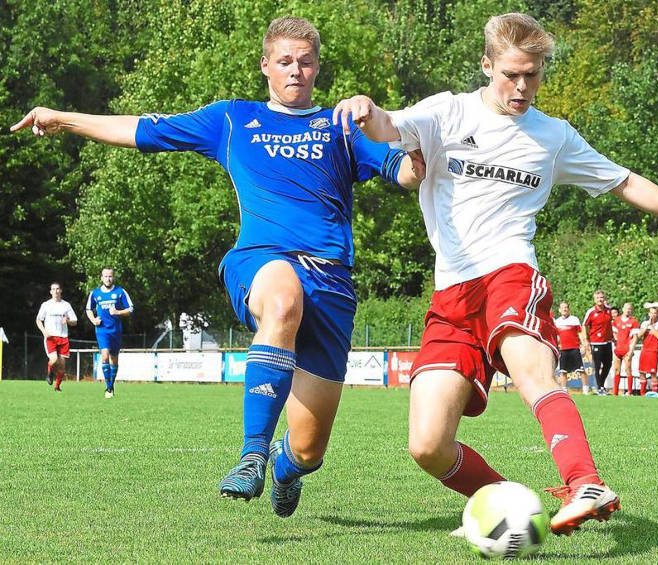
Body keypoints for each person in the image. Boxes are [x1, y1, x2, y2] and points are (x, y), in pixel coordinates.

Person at [333, 12, 658, 535]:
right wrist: (366, 108)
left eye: (532, 74)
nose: (522, 85)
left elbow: (624, 182)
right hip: (451, 296)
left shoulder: (552, 136)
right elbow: (388, 126)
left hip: (510, 271)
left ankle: (586, 483)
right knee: (427, 445)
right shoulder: (447, 112)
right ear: (486, 65)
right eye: (511, 73)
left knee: (533, 374)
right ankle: (509, 506)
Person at [11, 17, 422, 515]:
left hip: (332, 283)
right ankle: (251, 457)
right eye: (286, 61)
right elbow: (143, 128)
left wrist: (406, 130)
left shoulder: (342, 126)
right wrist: (63, 118)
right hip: (262, 261)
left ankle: (283, 466)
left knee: (309, 450)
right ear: (266, 65)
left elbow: (407, 173)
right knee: (283, 294)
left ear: (318, 67)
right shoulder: (232, 120)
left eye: (306, 61)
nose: (296, 70)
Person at [86, 268, 133, 398]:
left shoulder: (120, 292)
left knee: (114, 359)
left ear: (113, 277)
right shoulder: (95, 293)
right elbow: (88, 309)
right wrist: (93, 320)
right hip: (102, 330)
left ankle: (111, 385)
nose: (108, 278)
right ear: (101, 278)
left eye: (110, 276)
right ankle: (108, 387)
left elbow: (131, 308)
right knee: (105, 356)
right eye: (106, 276)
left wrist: (118, 312)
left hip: (116, 330)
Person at [35, 282, 78, 392]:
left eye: (57, 289)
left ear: (61, 290)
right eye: (53, 289)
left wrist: (67, 321)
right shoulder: (46, 305)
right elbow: (39, 320)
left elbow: (75, 321)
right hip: (50, 337)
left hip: (63, 337)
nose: (55, 291)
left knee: (62, 366)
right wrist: (44, 332)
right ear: (50, 292)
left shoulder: (66, 305)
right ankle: (49, 373)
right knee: (53, 360)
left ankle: (57, 386)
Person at [583, 290, 615, 396]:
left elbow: (610, 324)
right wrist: (586, 339)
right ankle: (598, 387)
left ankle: (601, 385)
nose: (600, 299)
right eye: (598, 298)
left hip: (607, 342)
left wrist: (613, 338)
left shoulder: (609, 310)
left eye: (601, 297)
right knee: (596, 365)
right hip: (596, 342)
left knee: (608, 364)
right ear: (594, 299)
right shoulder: (591, 311)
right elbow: (585, 325)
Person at [554, 302, 590, 394]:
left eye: (566, 308)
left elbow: (580, 333)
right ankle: (564, 390)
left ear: (568, 309)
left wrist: (583, 344)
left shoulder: (574, 319)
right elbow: (556, 336)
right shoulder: (557, 322)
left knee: (581, 370)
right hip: (563, 349)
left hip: (574, 348)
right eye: (562, 308)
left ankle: (586, 390)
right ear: (559, 310)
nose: (564, 309)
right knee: (563, 371)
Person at [634, 306, 658, 395]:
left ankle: (655, 393)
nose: (653, 315)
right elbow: (639, 335)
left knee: (653, 373)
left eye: (655, 313)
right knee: (642, 372)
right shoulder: (644, 323)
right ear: (649, 314)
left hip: (653, 351)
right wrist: (647, 326)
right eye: (651, 313)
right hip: (644, 350)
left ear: (657, 314)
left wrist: (651, 326)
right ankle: (642, 393)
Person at [611, 302, 638, 396]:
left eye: (630, 309)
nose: (628, 310)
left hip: (627, 349)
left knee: (628, 370)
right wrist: (616, 341)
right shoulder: (617, 320)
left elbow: (635, 337)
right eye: (626, 308)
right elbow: (614, 333)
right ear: (623, 309)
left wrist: (631, 350)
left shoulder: (633, 321)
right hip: (618, 349)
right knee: (616, 370)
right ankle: (615, 393)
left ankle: (629, 392)